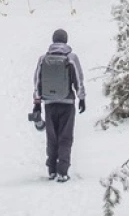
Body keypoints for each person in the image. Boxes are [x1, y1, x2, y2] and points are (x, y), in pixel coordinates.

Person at [32, 28, 86, 182]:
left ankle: (52, 170)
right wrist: (82, 98)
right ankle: (63, 171)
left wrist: (37, 104)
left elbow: (37, 82)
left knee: (52, 137)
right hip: (67, 103)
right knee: (65, 137)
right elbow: (79, 79)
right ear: (66, 40)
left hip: (49, 103)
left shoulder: (43, 59)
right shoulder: (71, 57)